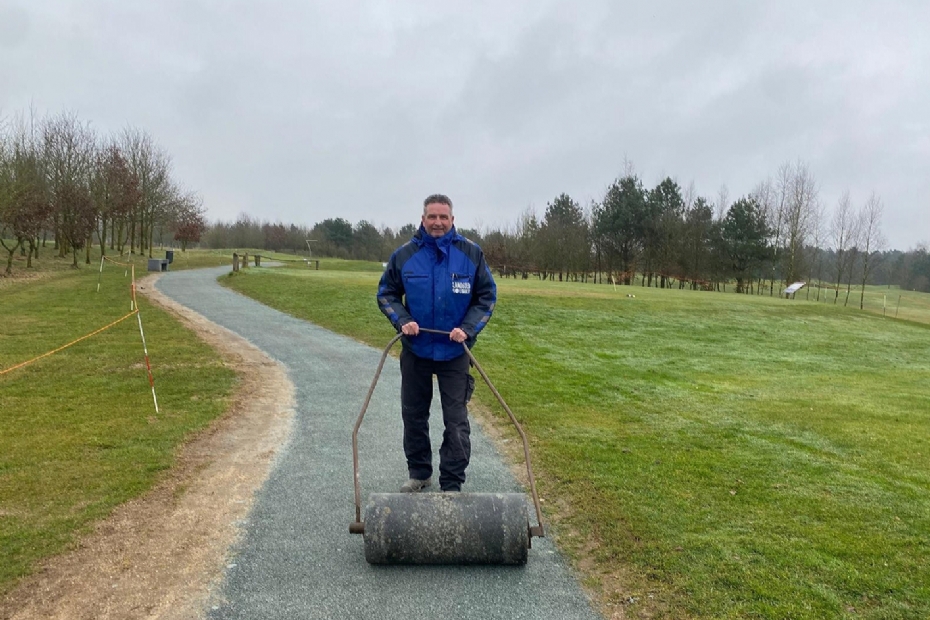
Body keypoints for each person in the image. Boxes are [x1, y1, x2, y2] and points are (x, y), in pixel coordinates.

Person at [377, 194, 497, 493]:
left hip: (455, 352)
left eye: (443, 217)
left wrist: (467, 329)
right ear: (423, 219)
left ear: (452, 220)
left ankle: (452, 483)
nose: (438, 222)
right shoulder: (404, 255)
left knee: (456, 422)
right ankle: (419, 473)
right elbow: (386, 293)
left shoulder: (470, 254)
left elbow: (486, 297)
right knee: (414, 415)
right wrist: (402, 320)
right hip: (415, 350)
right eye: (432, 217)